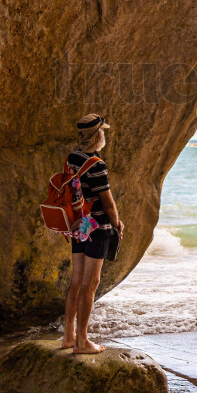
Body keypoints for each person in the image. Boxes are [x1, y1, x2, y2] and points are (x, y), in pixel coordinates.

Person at [62, 113, 124, 354]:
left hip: (80, 224)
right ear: (97, 134)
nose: (104, 134)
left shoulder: (73, 157)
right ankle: (82, 342)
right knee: (90, 284)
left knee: (76, 280)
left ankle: (69, 336)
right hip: (97, 227)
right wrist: (117, 224)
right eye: (103, 131)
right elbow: (108, 203)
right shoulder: (96, 164)